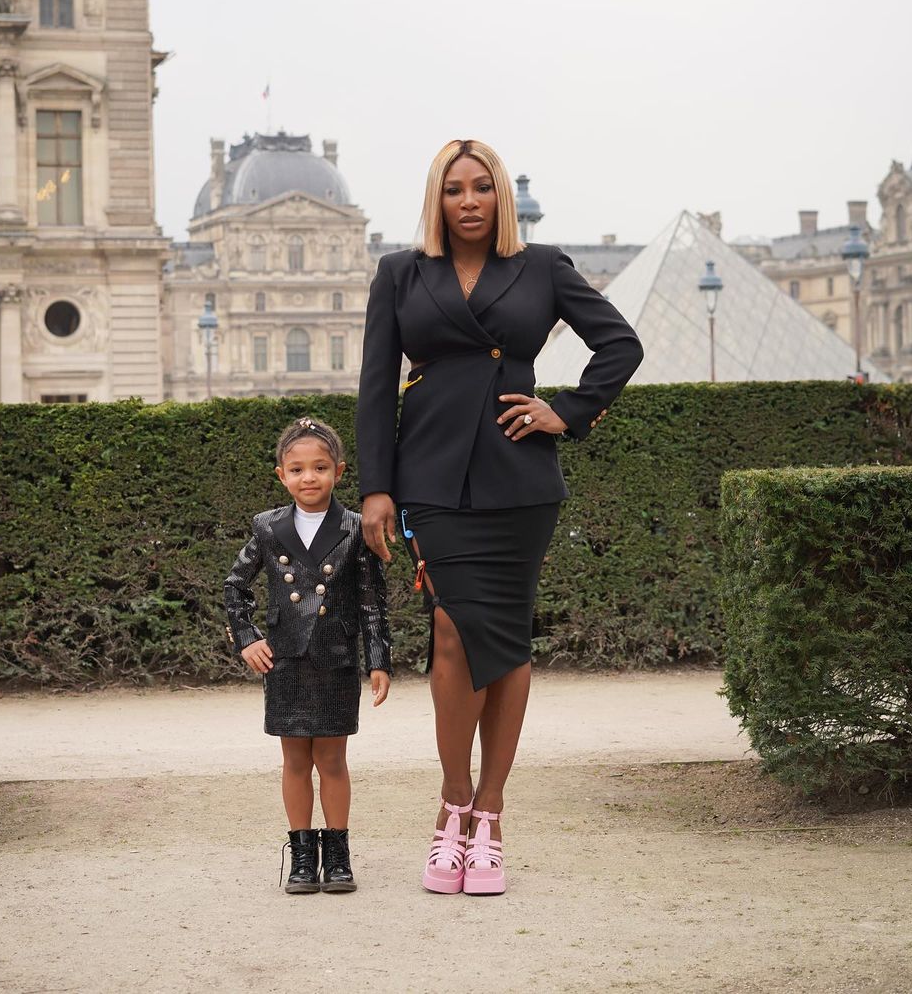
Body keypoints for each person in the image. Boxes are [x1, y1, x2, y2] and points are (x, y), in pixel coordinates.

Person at [356, 139, 643, 895]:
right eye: (454, 189)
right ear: (438, 199)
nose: (469, 201)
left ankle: (490, 815)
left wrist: (567, 411)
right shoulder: (399, 272)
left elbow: (621, 344)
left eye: (482, 187)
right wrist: (376, 488)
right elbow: (375, 386)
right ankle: (453, 804)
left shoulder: (542, 266)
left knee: (508, 642)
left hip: (519, 480)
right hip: (430, 477)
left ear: (501, 196)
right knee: (452, 629)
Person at [224, 416, 392, 895]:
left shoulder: (356, 527)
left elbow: (371, 600)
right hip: (286, 660)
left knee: (333, 760)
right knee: (295, 759)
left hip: (336, 656)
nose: (309, 477)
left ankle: (337, 857)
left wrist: (378, 659)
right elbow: (235, 586)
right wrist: (247, 637)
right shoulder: (268, 526)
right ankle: (301, 856)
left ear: (339, 471)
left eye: (320, 467)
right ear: (282, 475)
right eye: (297, 469)